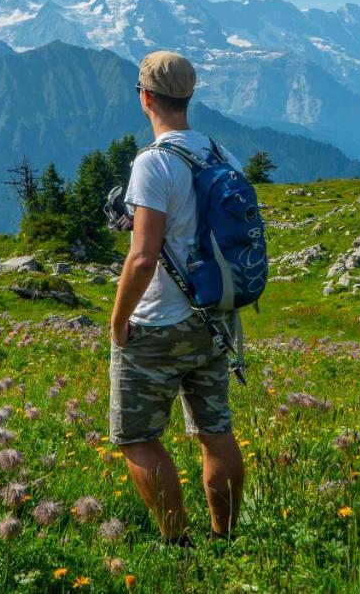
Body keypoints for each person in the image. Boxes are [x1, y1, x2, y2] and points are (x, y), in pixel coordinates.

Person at [108, 50, 245, 545]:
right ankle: (223, 537)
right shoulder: (218, 153)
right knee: (215, 431)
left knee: (140, 440)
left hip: (157, 325)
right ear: (189, 95)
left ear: (145, 97)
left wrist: (119, 320)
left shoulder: (154, 162)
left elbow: (143, 258)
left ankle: (176, 544)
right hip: (213, 318)